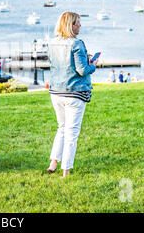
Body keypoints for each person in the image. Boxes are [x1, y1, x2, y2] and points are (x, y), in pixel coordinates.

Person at [46, 11, 98, 178]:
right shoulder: (77, 44)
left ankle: (53, 163)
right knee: (72, 132)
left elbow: (56, 64)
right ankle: (66, 171)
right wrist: (93, 64)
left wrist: (83, 58)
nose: (80, 25)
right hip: (75, 93)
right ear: (70, 25)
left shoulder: (52, 43)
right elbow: (83, 70)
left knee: (61, 128)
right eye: (77, 23)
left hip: (56, 92)